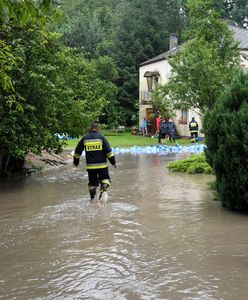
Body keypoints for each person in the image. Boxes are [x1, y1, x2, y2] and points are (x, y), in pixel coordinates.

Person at [73, 122, 116, 201]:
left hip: (91, 167)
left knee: (92, 184)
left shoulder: (85, 138)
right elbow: (109, 152)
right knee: (105, 180)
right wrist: (113, 163)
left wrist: (76, 162)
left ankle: (92, 200)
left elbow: (77, 152)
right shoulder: (101, 137)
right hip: (102, 166)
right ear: (98, 129)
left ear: (91, 129)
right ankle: (103, 189)